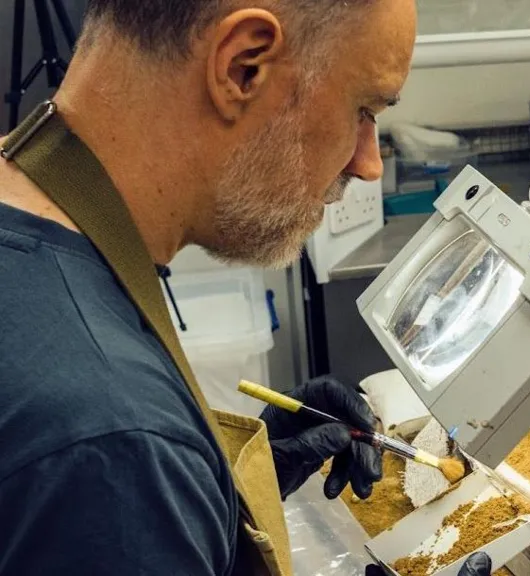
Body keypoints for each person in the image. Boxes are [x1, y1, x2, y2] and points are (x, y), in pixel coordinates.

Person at [0, 1, 490, 574]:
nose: (367, 164)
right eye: (363, 109)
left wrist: (220, 491)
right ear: (242, 67)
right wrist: (157, 484)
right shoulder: (116, 442)